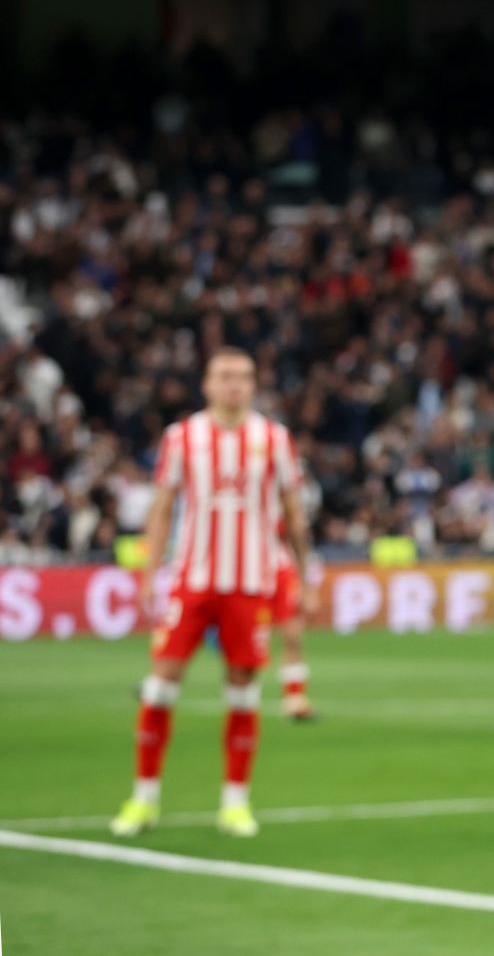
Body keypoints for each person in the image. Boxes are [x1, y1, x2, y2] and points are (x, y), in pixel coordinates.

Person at [110, 348, 311, 838]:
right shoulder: (182, 438)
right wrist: (148, 572)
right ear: (206, 383)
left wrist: (305, 576)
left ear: (254, 384)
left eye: (243, 377)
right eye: (224, 376)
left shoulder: (274, 439)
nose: (234, 385)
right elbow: (162, 508)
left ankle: (235, 803)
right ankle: (144, 797)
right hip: (193, 580)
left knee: (243, 690)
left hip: (251, 583)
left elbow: (294, 511)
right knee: (160, 684)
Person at [267, 535, 322, 719]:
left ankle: (295, 698)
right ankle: (242, 698)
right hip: (248, 570)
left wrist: (305, 584)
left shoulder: (285, 507)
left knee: (292, 635)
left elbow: (298, 534)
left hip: (282, 571)